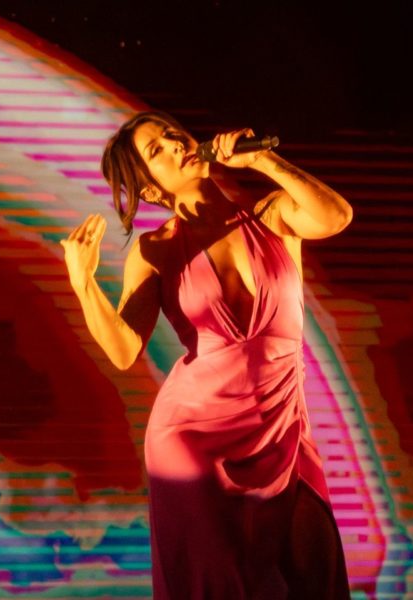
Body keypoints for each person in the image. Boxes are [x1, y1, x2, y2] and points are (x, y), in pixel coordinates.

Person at [61, 110, 354, 599]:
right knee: (221, 583)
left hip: (280, 424)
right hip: (194, 440)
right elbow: (123, 349)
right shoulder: (155, 250)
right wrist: (82, 281)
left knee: (313, 568)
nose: (176, 145)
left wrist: (263, 161)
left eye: (173, 135)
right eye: (157, 150)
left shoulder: (273, 214)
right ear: (150, 188)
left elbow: (336, 216)